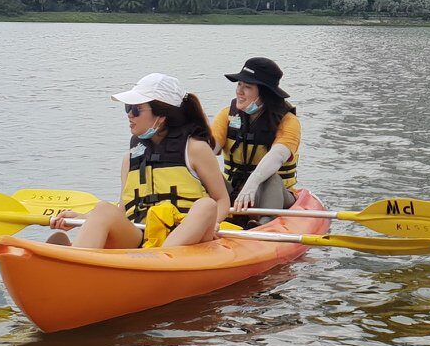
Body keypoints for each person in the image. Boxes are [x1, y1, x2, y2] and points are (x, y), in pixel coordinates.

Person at [56, 73, 230, 250]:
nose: (130, 115)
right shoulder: (130, 158)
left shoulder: (195, 148)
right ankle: (73, 259)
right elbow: (124, 211)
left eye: (136, 109)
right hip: (141, 237)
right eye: (128, 108)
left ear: (162, 115)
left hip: (184, 236)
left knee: (207, 205)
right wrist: (83, 218)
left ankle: (162, 259)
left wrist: (214, 223)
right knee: (102, 209)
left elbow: (222, 199)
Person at [213, 56, 303, 228]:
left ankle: (264, 224)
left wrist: (252, 184)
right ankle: (217, 219)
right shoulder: (226, 116)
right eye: (239, 84)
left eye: (247, 87)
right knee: (206, 172)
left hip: (275, 197)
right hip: (235, 192)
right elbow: (208, 152)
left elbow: (277, 156)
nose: (239, 91)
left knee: (271, 178)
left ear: (265, 93)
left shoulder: (288, 122)